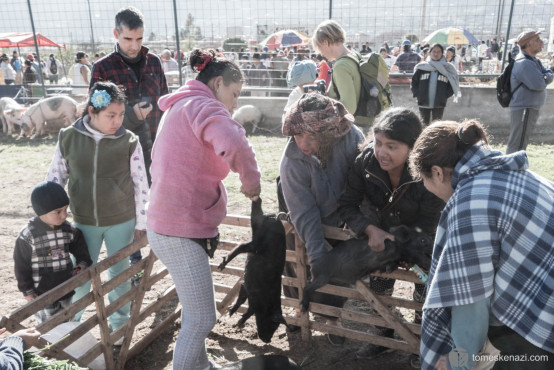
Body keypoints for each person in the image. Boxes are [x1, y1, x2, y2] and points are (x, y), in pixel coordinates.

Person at [146, 48, 261, 370]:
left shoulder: (181, 104)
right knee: (202, 318)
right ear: (219, 82)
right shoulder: (203, 105)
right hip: (179, 226)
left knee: (196, 313)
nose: (235, 103)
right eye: (234, 94)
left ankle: (202, 367)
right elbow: (234, 141)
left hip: (168, 221)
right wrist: (250, 181)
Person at [409, 119, 554, 370]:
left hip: (535, 333)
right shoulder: (515, 173)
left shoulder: (471, 204)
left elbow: (470, 300)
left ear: (438, 172)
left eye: (424, 179)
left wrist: (458, 362)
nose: (426, 186)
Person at [338, 107, 444, 361]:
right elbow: (347, 204)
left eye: (392, 146)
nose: (382, 152)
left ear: (412, 147)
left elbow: (431, 220)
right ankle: (383, 336)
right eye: (378, 143)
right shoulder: (365, 163)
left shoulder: (426, 172)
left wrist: (406, 244)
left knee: (423, 289)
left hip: (420, 242)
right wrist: (369, 228)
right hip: (381, 238)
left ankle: (420, 341)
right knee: (380, 286)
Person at [46, 82, 149, 334]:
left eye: (121, 115)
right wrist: (50, 217)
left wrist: (141, 223)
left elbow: (140, 184)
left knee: (119, 275)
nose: (117, 121)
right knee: (80, 276)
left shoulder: (129, 140)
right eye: (110, 115)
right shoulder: (68, 137)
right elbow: (55, 178)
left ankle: (118, 329)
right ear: (92, 112)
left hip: (121, 220)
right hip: (83, 222)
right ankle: (69, 328)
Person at [279, 93, 364, 345]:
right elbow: (303, 212)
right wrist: (317, 255)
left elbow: (361, 182)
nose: (303, 144)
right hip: (302, 205)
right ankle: (297, 307)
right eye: (298, 135)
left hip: (345, 208)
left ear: (329, 134)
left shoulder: (351, 139)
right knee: (297, 257)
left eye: (312, 136)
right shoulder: (292, 161)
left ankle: (332, 318)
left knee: (339, 265)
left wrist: (354, 219)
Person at [90, 5, 169, 187]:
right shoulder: (103, 68)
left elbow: (165, 102)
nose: (134, 46)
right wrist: (129, 115)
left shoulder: (155, 63)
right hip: (119, 150)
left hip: (156, 150)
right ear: (116, 34)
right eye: (128, 39)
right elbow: (95, 115)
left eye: (139, 39)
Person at [13, 181, 92, 324]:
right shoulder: (28, 235)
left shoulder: (67, 229)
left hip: (66, 287)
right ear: (41, 211)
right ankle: (51, 347)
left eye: (66, 209)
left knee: (69, 320)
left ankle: (67, 346)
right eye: (58, 212)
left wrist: (82, 263)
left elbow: (79, 245)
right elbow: (21, 265)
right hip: (43, 293)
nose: (64, 215)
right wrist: (27, 290)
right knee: (49, 327)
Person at [312, 20, 372, 127]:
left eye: (319, 48)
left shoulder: (341, 66)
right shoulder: (354, 56)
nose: (321, 53)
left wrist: (323, 118)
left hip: (350, 127)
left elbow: (348, 107)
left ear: (325, 42)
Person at [506, 30, 553, 154]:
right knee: (517, 143)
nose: (541, 42)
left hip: (528, 107)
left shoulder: (533, 60)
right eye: (537, 40)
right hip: (524, 108)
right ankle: (511, 169)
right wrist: (548, 75)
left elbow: (547, 74)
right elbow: (539, 84)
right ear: (528, 44)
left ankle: (515, 169)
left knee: (521, 142)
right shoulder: (524, 63)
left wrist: (548, 74)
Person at [411, 43, 461, 125]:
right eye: (434, 51)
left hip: (439, 102)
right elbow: (414, 82)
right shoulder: (421, 67)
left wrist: (444, 95)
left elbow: (453, 83)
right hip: (423, 101)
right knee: (423, 124)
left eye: (439, 52)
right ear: (430, 53)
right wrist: (417, 94)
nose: (436, 54)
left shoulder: (448, 68)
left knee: (437, 126)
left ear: (442, 53)